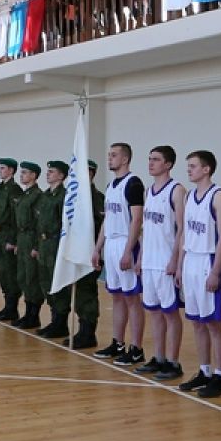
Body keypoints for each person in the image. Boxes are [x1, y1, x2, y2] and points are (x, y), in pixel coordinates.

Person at [176, 151, 221, 399]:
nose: (189, 170)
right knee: (197, 322)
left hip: (208, 260)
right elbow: (185, 233)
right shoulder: (189, 196)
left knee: (213, 322)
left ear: (206, 169)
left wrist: (216, 271)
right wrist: (180, 265)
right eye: (188, 166)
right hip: (191, 260)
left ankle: (220, 375)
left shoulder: (218, 196)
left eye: (193, 166)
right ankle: (204, 370)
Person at [134, 145, 186, 381]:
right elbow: (147, 229)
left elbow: (182, 229)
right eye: (149, 159)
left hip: (166, 262)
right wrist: (140, 257)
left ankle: (173, 362)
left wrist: (176, 260)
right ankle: (159, 356)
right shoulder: (149, 191)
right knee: (154, 312)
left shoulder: (177, 190)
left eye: (156, 159)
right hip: (149, 262)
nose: (151, 163)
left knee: (170, 313)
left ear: (168, 164)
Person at [92, 143, 145, 366]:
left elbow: (137, 219)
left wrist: (128, 251)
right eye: (109, 155)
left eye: (114, 155)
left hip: (125, 242)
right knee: (117, 297)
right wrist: (97, 247)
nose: (109, 158)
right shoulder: (111, 185)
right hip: (111, 243)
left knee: (132, 298)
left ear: (125, 159)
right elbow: (107, 219)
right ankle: (118, 342)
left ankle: (137, 348)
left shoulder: (133, 184)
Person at [57, 161, 104, 351]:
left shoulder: (97, 198)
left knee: (87, 294)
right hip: (74, 250)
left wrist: (97, 250)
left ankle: (88, 332)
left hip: (88, 251)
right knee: (76, 291)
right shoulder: (73, 197)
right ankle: (81, 329)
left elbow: (99, 225)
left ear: (91, 174)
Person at [34, 160, 70, 331]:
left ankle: (61, 322)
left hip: (56, 243)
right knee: (46, 282)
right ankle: (54, 318)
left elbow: (65, 224)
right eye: (48, 171)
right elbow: (39, 222)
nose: (48, 174)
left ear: (61, 176)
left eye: (52, 171)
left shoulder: (64, 196)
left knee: (58, 283)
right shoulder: (45, 195)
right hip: (44, 244)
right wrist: (37, 246)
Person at [12, 162, 44, 329]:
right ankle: (27, 313)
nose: (22, 175)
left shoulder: (37, 195)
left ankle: (34, 315)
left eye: (25, 172)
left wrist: (36, 246)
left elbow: (39, 223)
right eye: (22, 172)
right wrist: (18, 243)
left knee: (32, 278)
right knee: (23, 277)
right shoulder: (25, 194)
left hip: (31, 237)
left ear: (33, 175)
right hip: (23, 237)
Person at [0, 157, 23, 319]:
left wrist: (12, 240)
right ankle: (7, 306)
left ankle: (12, 308)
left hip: (8, 234)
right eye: (0, 168)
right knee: (3, 272)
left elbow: (16, 217)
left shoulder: (14, 190)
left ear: (11, 170)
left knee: (10, 272)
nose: (0, 170)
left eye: (3, 168)